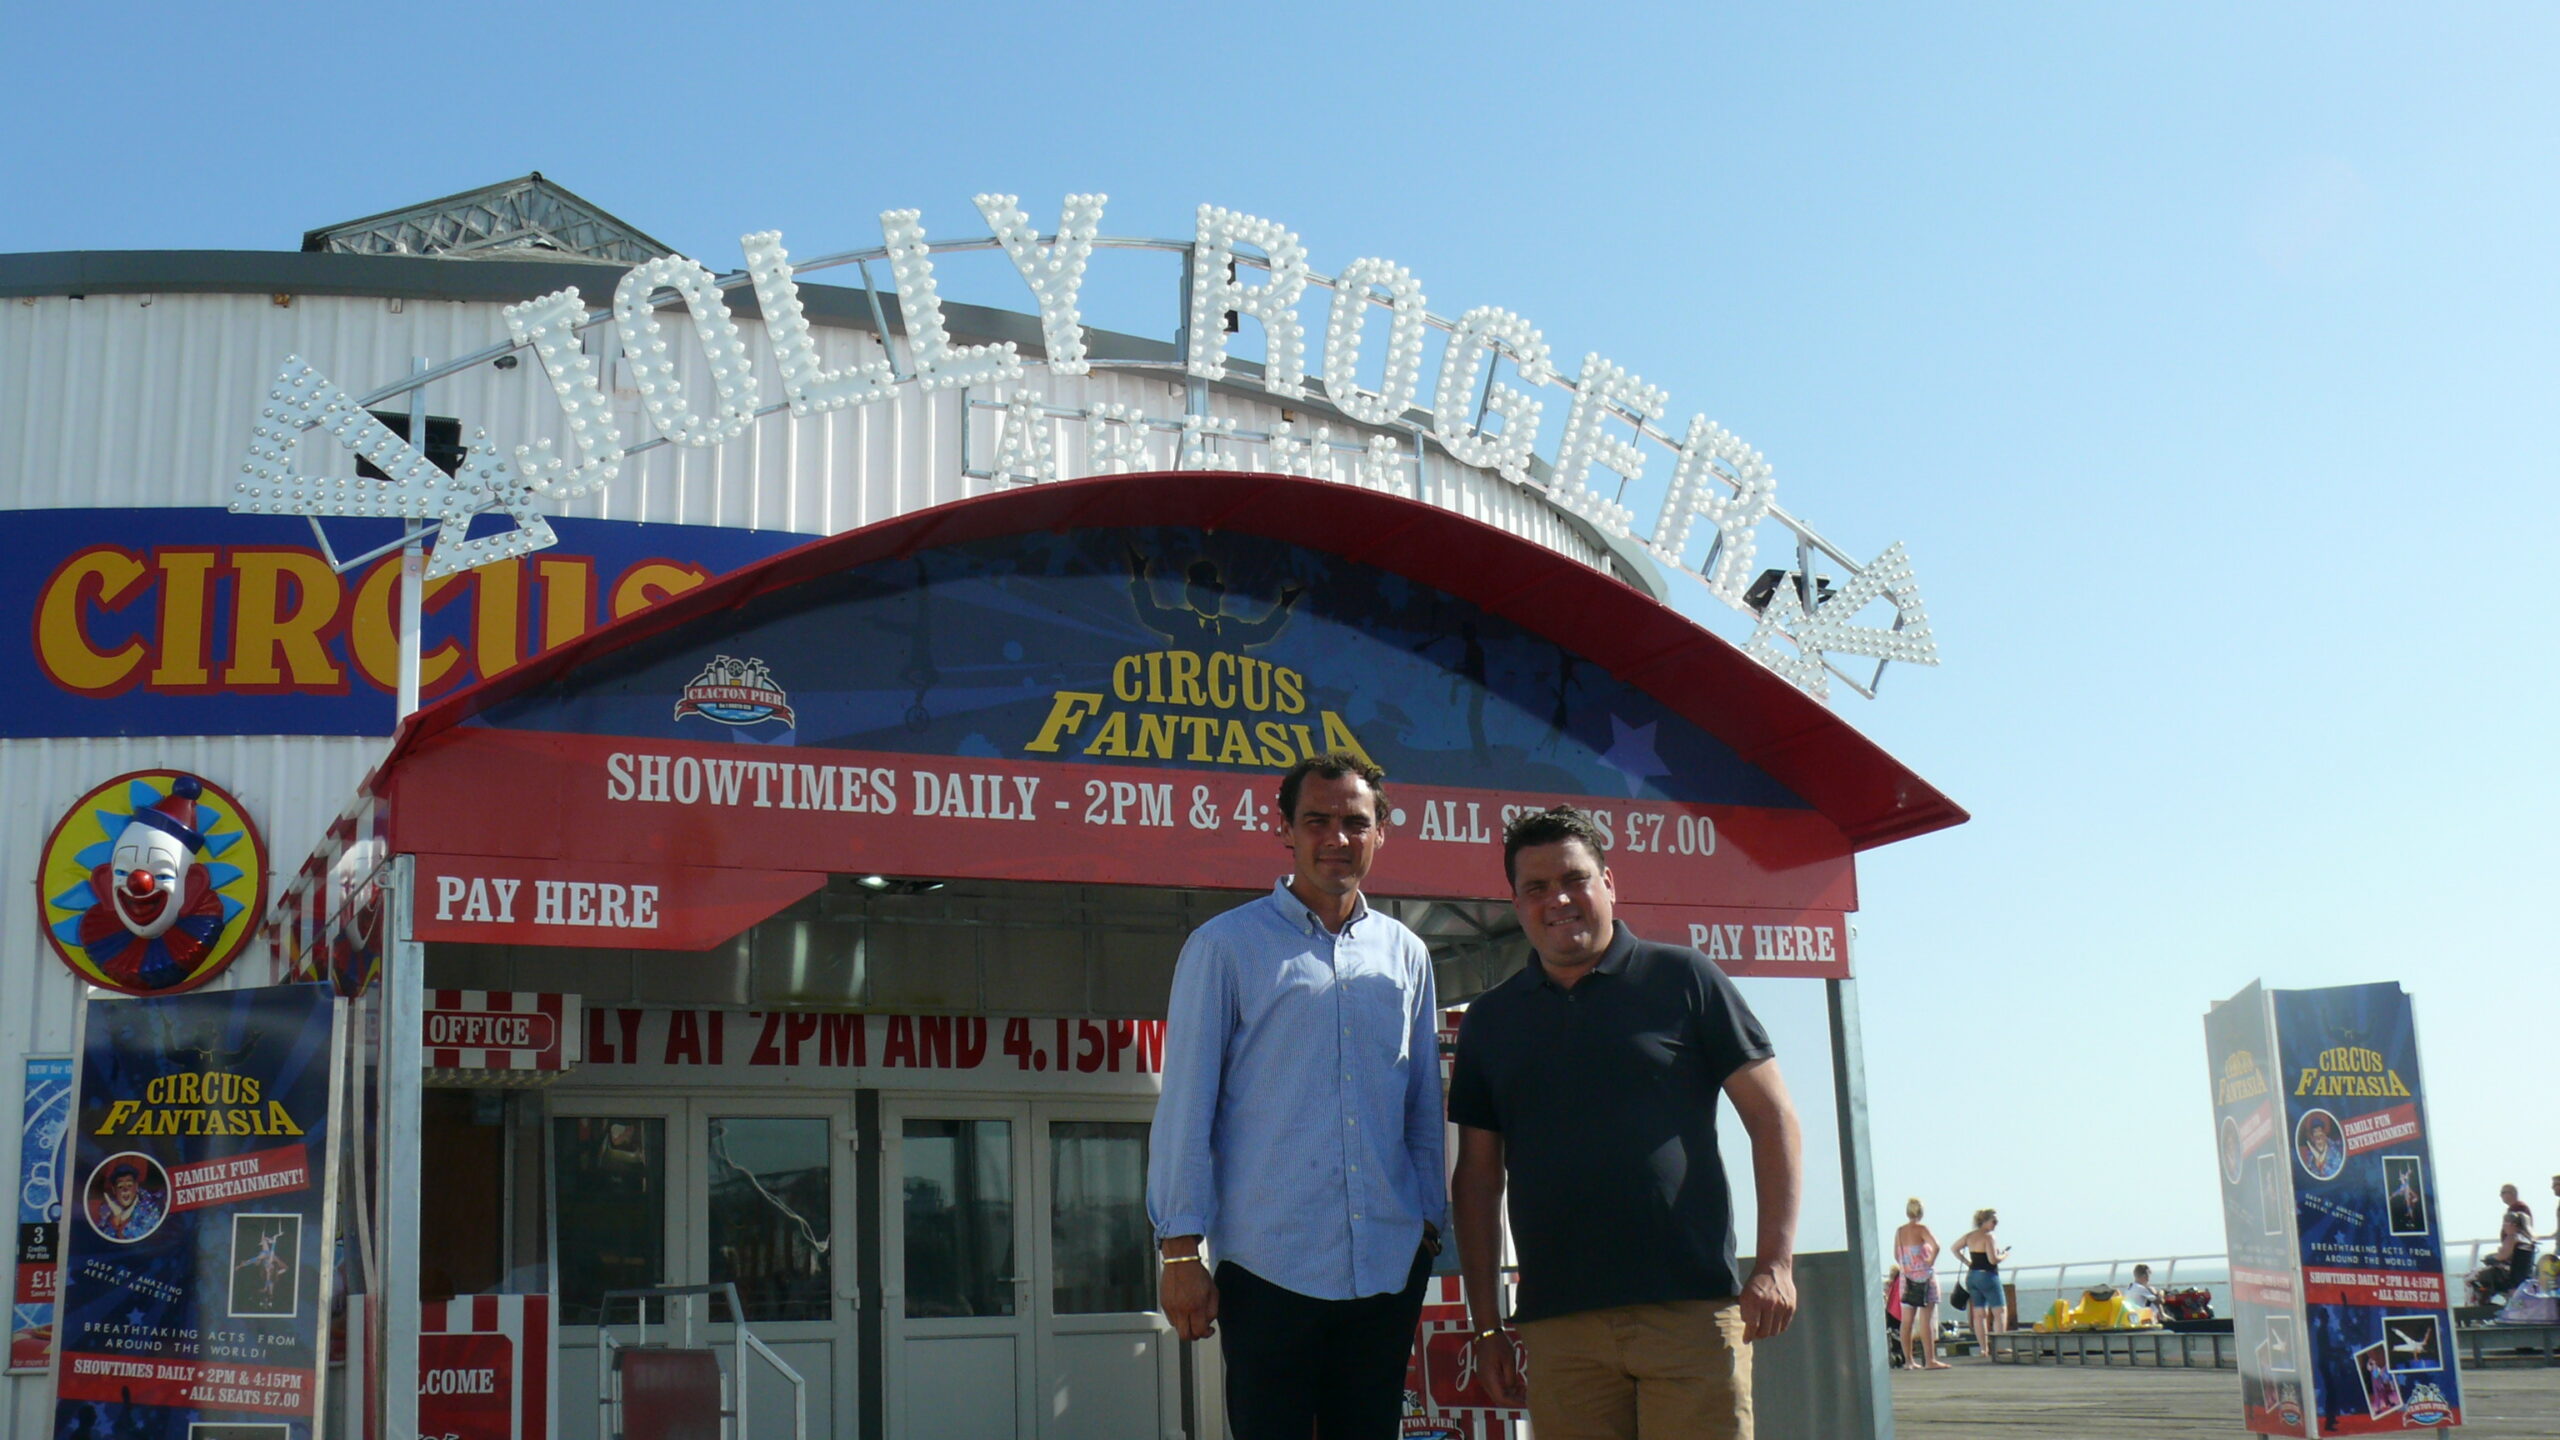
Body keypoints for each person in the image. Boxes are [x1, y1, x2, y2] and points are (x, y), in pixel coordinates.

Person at [1449, 805, 1803, 1438]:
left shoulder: (1686, 978)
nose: (1558, 899)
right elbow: (1477, 1179)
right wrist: (1486, 1327)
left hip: (1690, 1314)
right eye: (1537, 887)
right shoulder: (1490, 1021)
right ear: (1516, 903)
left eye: (1574, 879)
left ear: (1609, 883)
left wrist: (1775, 1263)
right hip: (1560, 1328)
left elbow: (1773, 1117)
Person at [1147, 754, 1447, 1439]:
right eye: (1317, 820)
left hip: (1387, 1269)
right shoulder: (1224, 947)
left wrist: (1427, 1226)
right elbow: (1186, 1106)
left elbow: (1422, 1110)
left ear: (1381, 833)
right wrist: (1180, 1251)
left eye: (1356, 822)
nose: (1337, 838)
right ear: (1283, 828)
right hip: (1269, 1268)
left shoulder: (1406, 954)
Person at [1894, 1200, 1947, 1371]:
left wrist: (1907, 1265)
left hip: (1906, 1278)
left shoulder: (1900, 1231)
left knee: (1906, 1321)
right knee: (1926, 1319)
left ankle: (1909, 1361)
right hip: (1924, 1277)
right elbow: (1936, 1246)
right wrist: (1930, 1260)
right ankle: (1930, 1360)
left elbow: (1896, 1255)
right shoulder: (1922, 1229)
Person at [1950, 1210, 2010, 1346]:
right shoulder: (1989, 1237)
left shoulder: (1969, 1236)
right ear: (1985, 1221)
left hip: (1972, 1276)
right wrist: (2004, 1255)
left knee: (1979, 1313)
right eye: (1994, 1221)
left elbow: (1954, 1248)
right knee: (1999, 1311)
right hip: (1987, 1275)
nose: (1996, 1224)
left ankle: (1983, 1348)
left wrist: (1967, 1262)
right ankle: (2000, 1346)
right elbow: (1993, 1260)